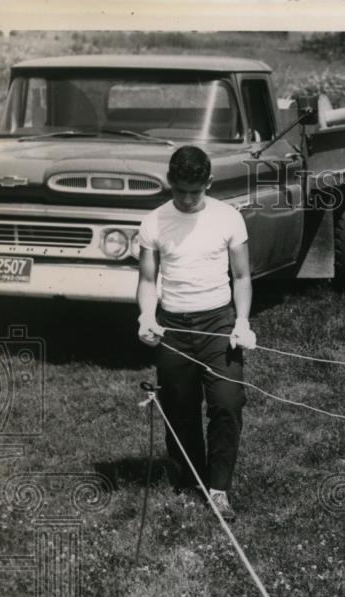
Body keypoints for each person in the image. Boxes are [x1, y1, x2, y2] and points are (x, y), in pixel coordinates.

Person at [136, 145, 256, 522]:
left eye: (196, 191)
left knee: (226, 403)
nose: (187, 200)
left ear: (209, 183)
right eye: (180, 191)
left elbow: (241, 277)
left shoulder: (229, 218)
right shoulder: (153, 222)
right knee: (179, 409)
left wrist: (241, 321)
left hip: (218, 323)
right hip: (173, 326)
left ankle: (219, 488)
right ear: (170, 182)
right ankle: (190, 483)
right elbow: (147, 279)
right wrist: (146, 317)